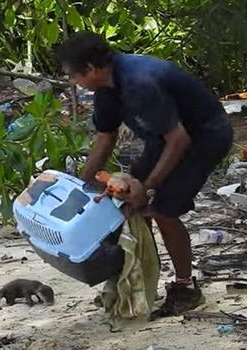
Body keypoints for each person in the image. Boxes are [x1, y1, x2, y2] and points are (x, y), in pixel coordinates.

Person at [54, 32, 233, 317]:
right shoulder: (105, 89)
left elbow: (180, 140)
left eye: (73, 76)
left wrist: (147, 187)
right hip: (162, 139)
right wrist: (81, 187)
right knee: (125, 203)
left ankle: (186, 288)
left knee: (162, 209)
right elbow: (105, 137)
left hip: (204, 136)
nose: (73, 82)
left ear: (90, 68)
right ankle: (136, 279)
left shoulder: (140, 82)